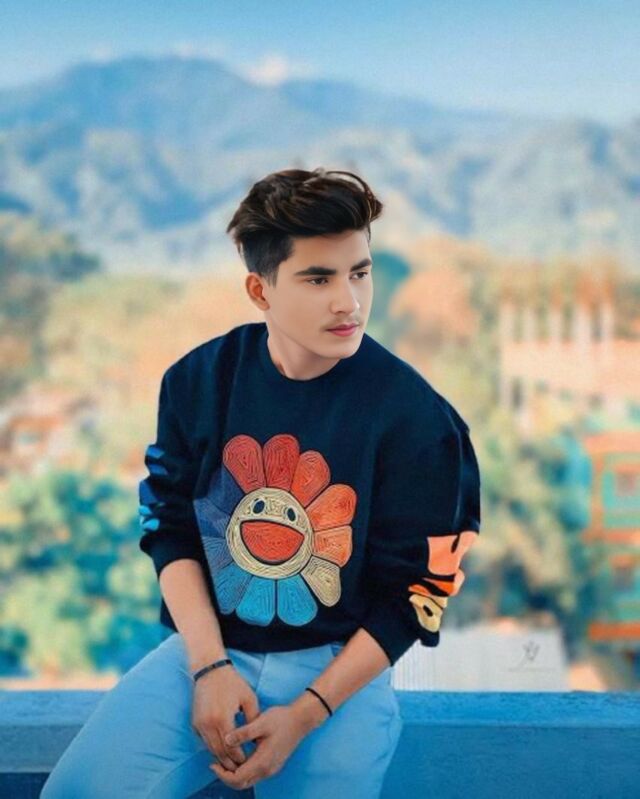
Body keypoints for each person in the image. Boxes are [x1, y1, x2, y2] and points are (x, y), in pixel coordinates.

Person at [41, 166, 481, 798]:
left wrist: (306, 713)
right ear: (260, 289)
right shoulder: (199, 381)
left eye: (359, 273)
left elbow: (418, 594)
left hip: (340, 674)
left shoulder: (417, 419)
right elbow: (169, 527)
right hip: (208, 651)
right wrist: (208, 667)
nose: (349, 301)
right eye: (318, 278)